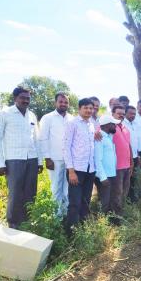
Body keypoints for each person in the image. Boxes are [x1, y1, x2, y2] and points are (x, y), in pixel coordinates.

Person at [0, 87, 43, 228]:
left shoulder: (32, 115)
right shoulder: (4, 114)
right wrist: (0, 163)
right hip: (13, 159)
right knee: (15, 193)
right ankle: (13, 223)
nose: (25, 100)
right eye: (22, 97)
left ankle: (27, 222)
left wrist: (40, 161)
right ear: (15, 98)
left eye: (28, 98)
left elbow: (37, 140)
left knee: (30, 192)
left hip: (31, 159)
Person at [63, 98, 96, 235]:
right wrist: (71, 171)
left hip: (89, 169)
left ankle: (83, 230)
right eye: (86, 108)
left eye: (91, 108)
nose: (89, 110)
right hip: (76, 170)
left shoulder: (91, 124)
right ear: (79, 109)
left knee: (86, 201)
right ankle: (70, 234)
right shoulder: (72, 123)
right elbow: (66, 147)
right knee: (75, 203)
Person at [39, 92, 73, 216]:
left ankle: (65, 215)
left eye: (66, 102)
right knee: (56, 189)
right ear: (55, 103)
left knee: (67, 189)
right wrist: (47, 158)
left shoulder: (71, 118)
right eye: (61, 101)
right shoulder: (48, 118)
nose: (63, 104)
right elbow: (43, 138)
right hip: (54, 159)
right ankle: (56, 218)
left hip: (69, 160)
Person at [94, 115, 120, 220]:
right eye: (113, 124)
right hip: (104, 176)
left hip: (111, 174)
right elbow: (97, 159)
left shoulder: (107, 137)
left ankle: (110, 222)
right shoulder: (100, 138)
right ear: (108, 125)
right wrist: (102, 177)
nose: (115, 126)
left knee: (110, 200)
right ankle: (102, 224)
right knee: (104, 202)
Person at [112, 106, 133, 211]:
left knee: (125, 190)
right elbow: (98, 134)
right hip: (116, 166)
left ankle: (122, 212)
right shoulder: (108, 127)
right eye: (118, 113)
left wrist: (131, 162)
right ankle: (115, 217)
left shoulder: (125, 128)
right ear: (113, 114)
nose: (121, 115)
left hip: (127, 165)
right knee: (117, 191)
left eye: (123, 114)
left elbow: (128, 145)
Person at [124, 105, 141, 202]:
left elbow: (135, 141)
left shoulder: (134, 124)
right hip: (127, 158)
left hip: (135, 156)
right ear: (125, 113)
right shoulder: (123, 124)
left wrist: (137, 155)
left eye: (134, 114)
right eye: (130, 113)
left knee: (134, 178)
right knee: (127, 180)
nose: (132, 115)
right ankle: (126, 200)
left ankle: (132, 199)